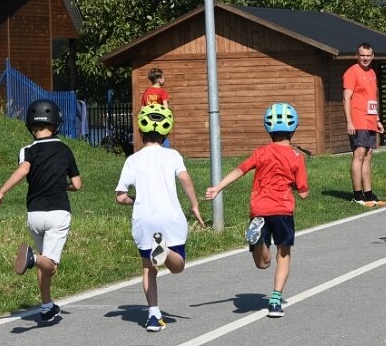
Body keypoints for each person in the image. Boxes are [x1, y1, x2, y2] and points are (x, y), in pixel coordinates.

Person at [206, 103, 309, 318]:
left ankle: (260, 241)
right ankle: (275, 300)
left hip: (259, 209)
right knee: (283, 254)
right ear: (294, 128)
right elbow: (303, 193)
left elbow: (240, 170)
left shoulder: (260, 152)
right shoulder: (297, 158)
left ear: (268, 128)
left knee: (262, 263)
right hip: (282, 210)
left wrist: (217, 188)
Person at [114, 103, 206, 332]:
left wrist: (137, 200)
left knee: (148, 269)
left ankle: (153, 316)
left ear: (140, 131)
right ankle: (164, 250)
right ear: (166, 132)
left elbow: (120, 196)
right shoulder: (172, 155)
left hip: (145, 219)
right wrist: (194, 205)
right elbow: (185, 178)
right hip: (170, 217)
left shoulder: (132, 160)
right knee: (178, 266)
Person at [0, 99, 82, 323]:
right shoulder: (65, 149)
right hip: (58, 212)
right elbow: (78, 185)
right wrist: (62, 186)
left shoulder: (27, 150)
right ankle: (31, 258)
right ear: (56, 123)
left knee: (44, 262)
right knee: (49, 262)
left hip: (35, 214)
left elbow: (24, 170)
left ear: (31, 125)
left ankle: (46, 306)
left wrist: (1, 192)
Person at [343, 42, 386, 207]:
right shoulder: (352, 72)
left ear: (372, 56)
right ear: (357, 55)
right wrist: (349, 121)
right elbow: (346, 97)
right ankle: (357, 195)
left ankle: (368, 194)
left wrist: (378, 120)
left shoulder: (372, 73)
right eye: (362, 55)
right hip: (358, 119)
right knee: (359, 154)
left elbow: (372, 99)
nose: (365, 58)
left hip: (370, 120)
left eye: (368, 55)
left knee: (368, 155)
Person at [142, 67, 171, 147]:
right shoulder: (162, 92)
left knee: (149, 140)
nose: (164, 79)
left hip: (149, 120)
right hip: (159, 120)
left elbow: (143, 108)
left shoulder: (146, 92)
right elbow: (165, 107)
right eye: (163, 77)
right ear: (159, 79)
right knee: (164, 138)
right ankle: (167, 155)